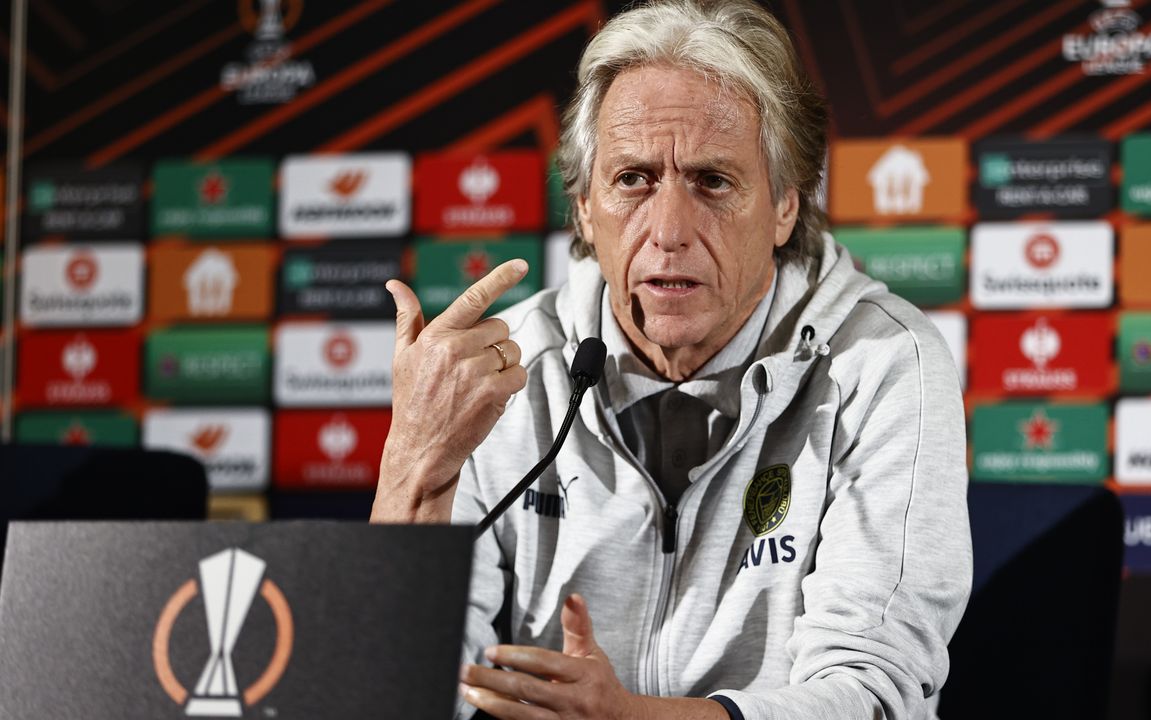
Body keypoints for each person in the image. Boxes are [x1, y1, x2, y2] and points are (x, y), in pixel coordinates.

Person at [372, 1, 971, 718]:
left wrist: (631, 718)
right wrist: (414, 464)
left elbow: (875, 694)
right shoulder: (508, 370)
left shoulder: (881, 364)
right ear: (585, 208)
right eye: (633, 179)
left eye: (712, 182)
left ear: (785, 205)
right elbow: (391, 693)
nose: (669, 231)